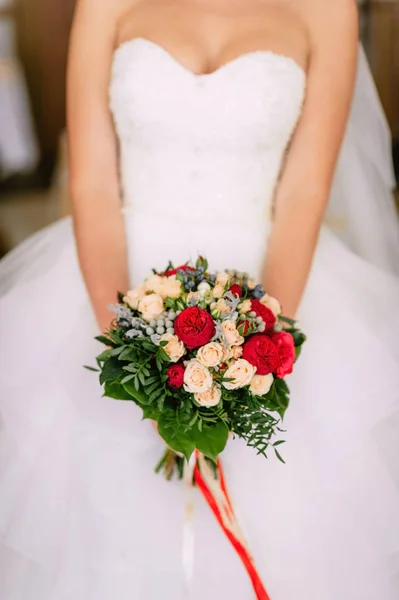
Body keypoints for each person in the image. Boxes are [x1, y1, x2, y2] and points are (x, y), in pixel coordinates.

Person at [0, 0, 398, 598]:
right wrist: (130, 350)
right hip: (116, 282)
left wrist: (257, 350)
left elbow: (303, 192)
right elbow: (92, 185)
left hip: (269, 288)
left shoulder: (327, 9)